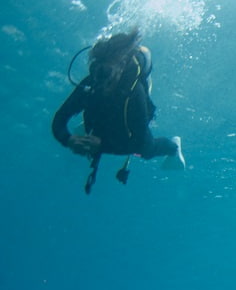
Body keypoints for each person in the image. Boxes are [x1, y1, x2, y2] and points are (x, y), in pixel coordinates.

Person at [51, 28, 185, 193]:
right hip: (106, 118)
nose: (101, 80)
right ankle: (94, 126)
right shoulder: (92, 83)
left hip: (131, 127)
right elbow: (59, 119)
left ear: (121, 67)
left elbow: (137, 142)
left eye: (105, 72)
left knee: (146, 151)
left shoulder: (134, 94)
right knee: (97, 120)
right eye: (96, 70)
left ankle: (174, 147)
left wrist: (101, 145)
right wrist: (68, 139)